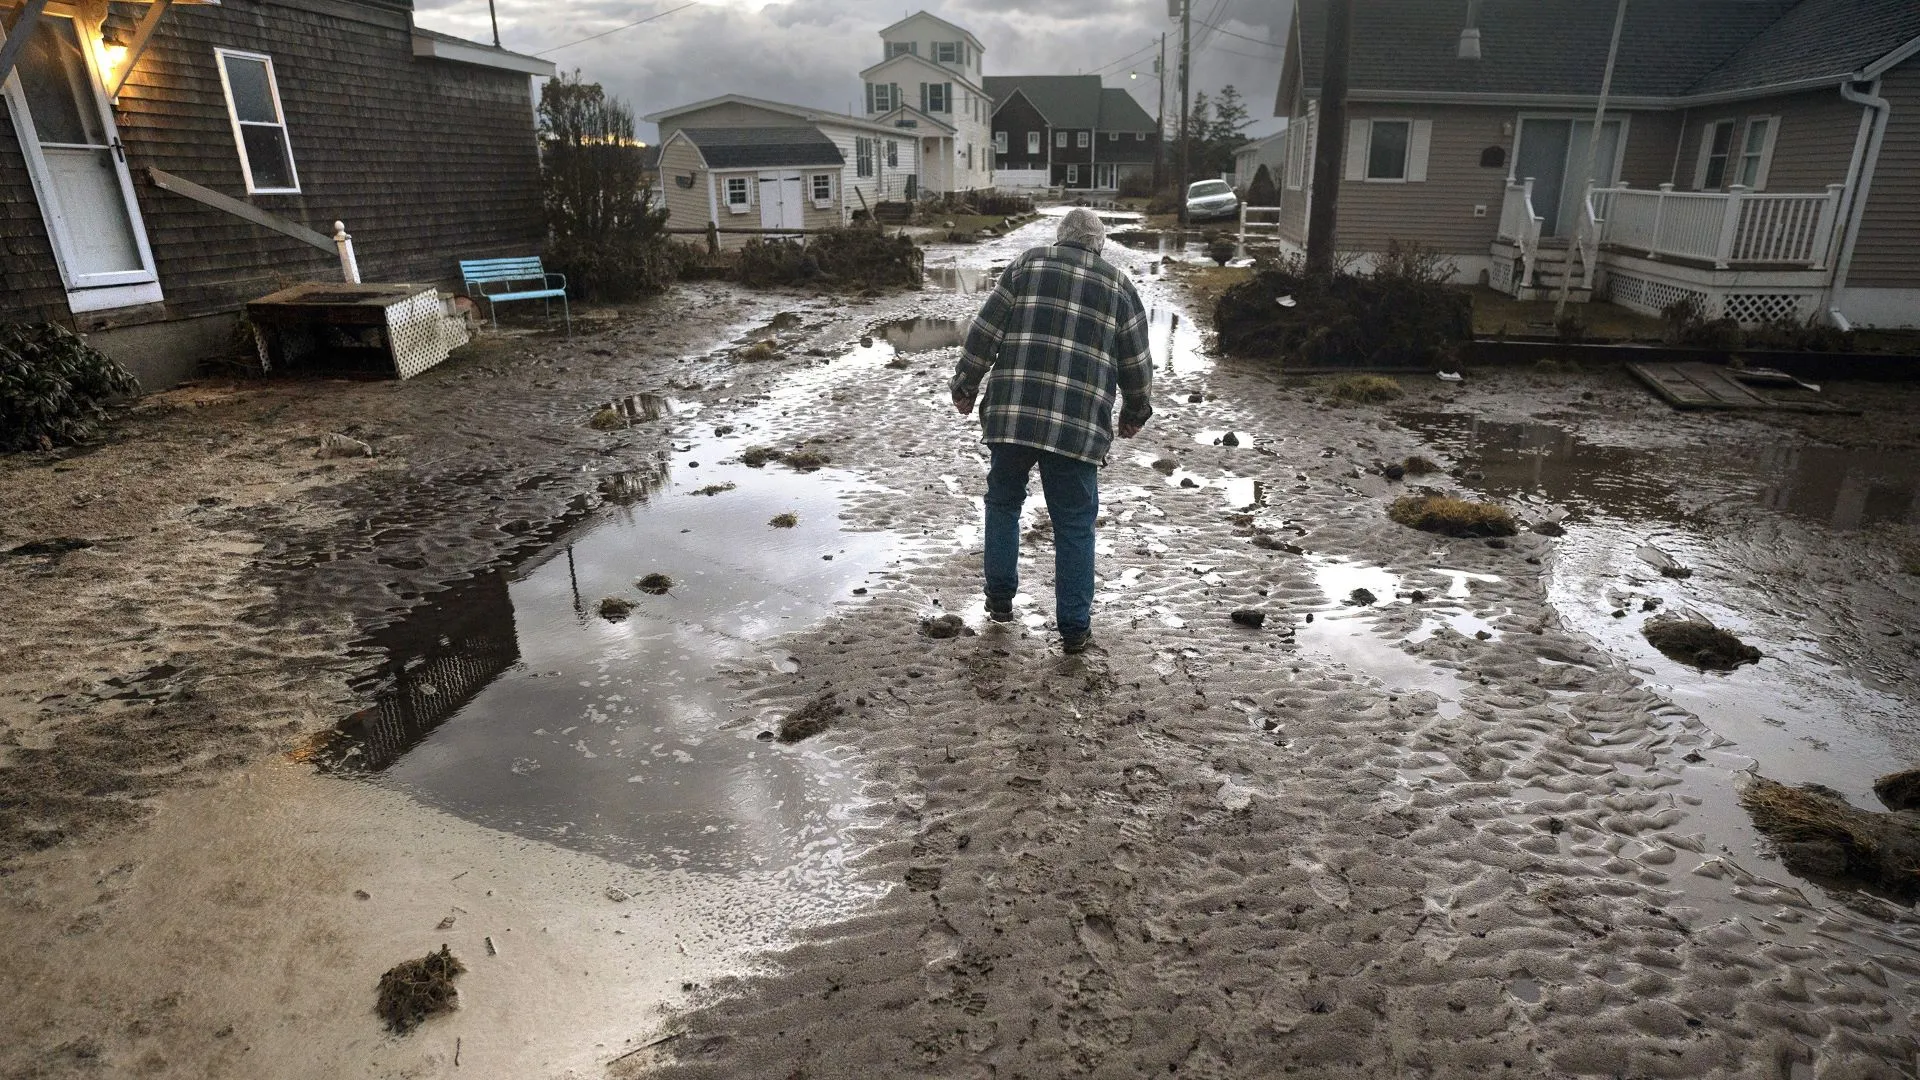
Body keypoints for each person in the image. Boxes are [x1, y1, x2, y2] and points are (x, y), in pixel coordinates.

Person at [950, 207, 1153, 655]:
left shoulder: (1026, 264)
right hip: (1077, 429)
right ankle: (1075, 630)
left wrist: (965, 385)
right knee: (1075, 524)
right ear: (1098, 245)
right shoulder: (1118, 286)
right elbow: (1136, 362)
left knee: (1003, 503)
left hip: (1013, 417)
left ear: (1061, 239)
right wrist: (1136, 411)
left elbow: (984, 331)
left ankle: (1000, 601)